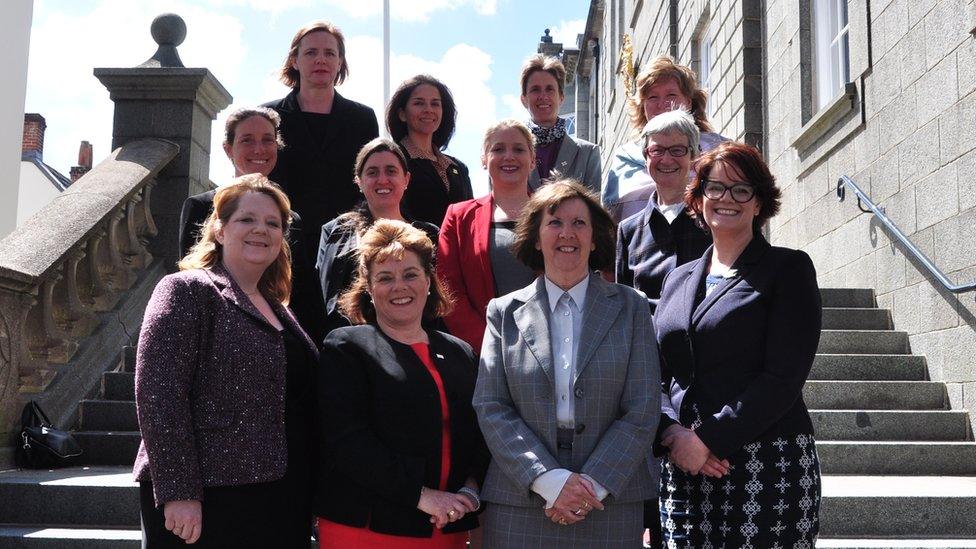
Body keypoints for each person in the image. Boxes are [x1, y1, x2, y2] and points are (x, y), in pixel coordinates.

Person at [473, 179, 660, 547]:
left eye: (579, 223)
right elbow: (491, 405)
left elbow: (642, 408)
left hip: (609, 499)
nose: (567, 233)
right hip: (523, 500)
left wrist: (590, 486)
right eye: (554, 222)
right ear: (536, 237)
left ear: (594, 239)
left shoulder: (632, 307)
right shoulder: (503, 312)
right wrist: (549, 482)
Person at [134, 175, 318, 548]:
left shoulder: (281, 309)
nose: (260, 230)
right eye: (247, 219)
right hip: (208, 497)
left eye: (273, 223)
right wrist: (179, 490)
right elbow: (159, 395)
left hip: (280, 495)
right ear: (219, 229)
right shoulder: (186, 290)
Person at [654, 141, 822, 546]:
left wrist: (709, 439)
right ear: (698, 198)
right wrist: (674, 436)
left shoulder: (788, 269)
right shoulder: (677, 279)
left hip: (766, 465)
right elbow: (654, 374)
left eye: (741, 189)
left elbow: (782, 378)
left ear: (760, 202)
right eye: (715, 187)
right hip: (685, 467)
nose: (726, 199)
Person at [315, 219, 489, 548]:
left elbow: (480, 433)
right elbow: (348, 443)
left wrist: (470, 489)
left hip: (445, 525)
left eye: (410, 274)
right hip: (366, 529)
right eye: (385, 278)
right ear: (368, 286)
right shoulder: (346, 347)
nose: (399, 286)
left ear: (428, 281)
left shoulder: (461, 352)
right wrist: (422, 496)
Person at [264, 20, 378, 344]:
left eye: (330, 53)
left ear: (340, 62)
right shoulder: (269, 115)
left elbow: (366, 182)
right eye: (311, 52)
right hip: (285, 248)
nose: (321, 60)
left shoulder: (362, 118)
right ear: (294, 60)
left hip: (345, 251)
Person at [316, 138, 439, 337]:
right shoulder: (337, 232)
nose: (382, 180)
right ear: (359, 181)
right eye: (372, 172)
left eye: (391, 171)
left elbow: (437, 301)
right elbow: (329, 300)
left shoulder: (430, 234)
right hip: (355, 346)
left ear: (406, 179)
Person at [437, 120, 536, 352]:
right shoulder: (458, 216)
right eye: (498, 149)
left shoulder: (555, 212)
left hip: (549, 346)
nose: (508, 156)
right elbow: (448, 289)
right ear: (484, 160)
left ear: (532, 160)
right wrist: (490, 343)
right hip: (483, 352)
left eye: (519, 149)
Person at [603, 55, 728, 222]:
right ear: (642, 107)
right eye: (652, 97)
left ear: (688, 102)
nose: (662, 105)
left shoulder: (720, 150)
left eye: (671, 95)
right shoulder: (625, 157)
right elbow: (609, 218)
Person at [616, 110, 712, 313]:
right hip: (647, 343)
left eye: (677, 150)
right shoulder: (628, 231)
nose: (666, 160)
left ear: (693, 156)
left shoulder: (713, 218)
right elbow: (624, 306)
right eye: (657, 150)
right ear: (645, 158)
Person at [179, 107, 290, 258]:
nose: (259, 149)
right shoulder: (201, 207)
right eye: (247, 140)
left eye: (267, 140)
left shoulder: (290, 216)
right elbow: (187, 274)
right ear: (228, 149)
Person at [386, 75, 473, 226]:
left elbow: (471, 219)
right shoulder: (392, 161)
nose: (428, 110)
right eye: (419, 103)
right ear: (402, 114)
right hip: (411, 247)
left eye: (435, 104)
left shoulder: (458, 168)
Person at [519, 54, 601, 193]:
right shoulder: (507, 153)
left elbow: (593, 210)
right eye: (535, 89)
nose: (543, 96)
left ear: (561, 98)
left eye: (550, 89)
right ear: (524, 99)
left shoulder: (587, 154)